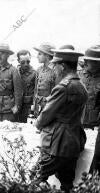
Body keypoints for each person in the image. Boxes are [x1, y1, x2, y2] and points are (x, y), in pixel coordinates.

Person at [34, 49, 87, 192]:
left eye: (55, 65)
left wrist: (37, 124)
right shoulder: (81, 86)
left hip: (57, 144)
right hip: (74, 142)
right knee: (67, 183)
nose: (54, 68)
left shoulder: (63, 87)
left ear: (62, 66)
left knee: (35, 177)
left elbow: (46, 114)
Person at [78, 46, 100, 174]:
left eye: (89, 61)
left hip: (93, 124)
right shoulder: (79, 75)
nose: (85, 63)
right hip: (77, 121)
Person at [32, 43, 56, 117]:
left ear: (47, 55)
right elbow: (36, 89)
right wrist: (34, 104)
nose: (37, 56)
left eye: (40, 54)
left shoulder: (55, 71)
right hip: (38, 105)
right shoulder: (39, 70)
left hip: (49, 107)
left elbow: (57, 92)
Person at [17, 50, 37, 123]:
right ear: (18, 61)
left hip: (27, 107)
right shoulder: (15, 71)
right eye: (23, 62)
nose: (26, 64)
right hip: (15, 105)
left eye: (28, 62)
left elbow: (36, 92)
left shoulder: (34, 73)